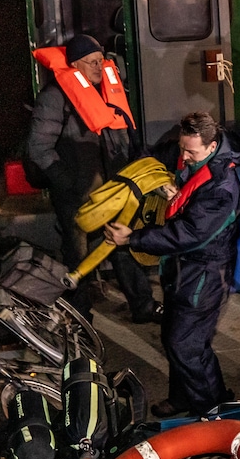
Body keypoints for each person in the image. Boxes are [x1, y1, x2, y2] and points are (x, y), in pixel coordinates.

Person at [103, 112, 240, 417]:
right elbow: (150, 160)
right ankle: (182, 397)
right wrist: (161, 183)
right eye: (182, 148)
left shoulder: (222, 188)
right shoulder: (189, 153)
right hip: (182, 269)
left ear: (212, 147)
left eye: (190, 152)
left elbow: (189, 234)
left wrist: (132, 238)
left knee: (187, 345)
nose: (183, 157)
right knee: (174, 336)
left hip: (205, 274)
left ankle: (214, 411)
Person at [26, 34, 160, 324]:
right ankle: (80, 318)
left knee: (121, 244)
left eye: (101, 60)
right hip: (76, 193)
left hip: (113, 189)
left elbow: (124, 136)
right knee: (78, 254)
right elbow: (38, 148)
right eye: (92, 62)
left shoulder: (109, 91)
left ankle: (144, 306)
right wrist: (68, 183)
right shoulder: (54, 97)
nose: (100, 66)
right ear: (75, 64)